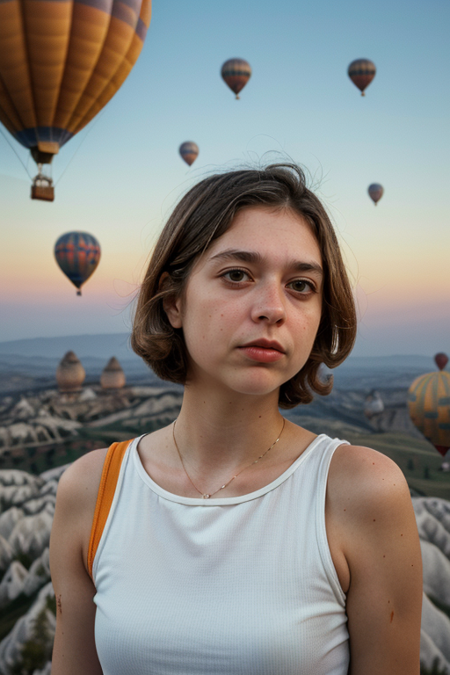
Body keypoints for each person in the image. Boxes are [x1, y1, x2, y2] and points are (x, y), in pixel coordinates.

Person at [49, 164, 423, 675]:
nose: (272, 308)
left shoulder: (361, 491)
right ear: (174, 300)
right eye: (237, 275)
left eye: (301, 285)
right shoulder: (93, 490)